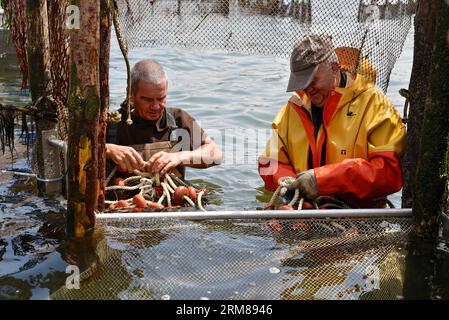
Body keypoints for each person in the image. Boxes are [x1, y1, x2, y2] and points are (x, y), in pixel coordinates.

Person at [258, 35, 406, 208]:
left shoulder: (375, 106)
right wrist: (289, 186)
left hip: (357, 216)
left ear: (334, 68)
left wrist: (321, 180)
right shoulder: (293, 109)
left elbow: (389, 172)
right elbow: (269, 162)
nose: (307, 89)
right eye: (302, 82)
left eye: (312, 80)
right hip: (303, 212)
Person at [106, 59, 222, 178]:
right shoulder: (111, 124)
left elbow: (216, 154)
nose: (156, 107)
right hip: (121, 194)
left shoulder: (178, 120)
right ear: (131, 94)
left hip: (171, 194)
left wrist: (179, 157)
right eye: (148, 99)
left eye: (161, 99)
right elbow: (86, 150)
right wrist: (107, 150)